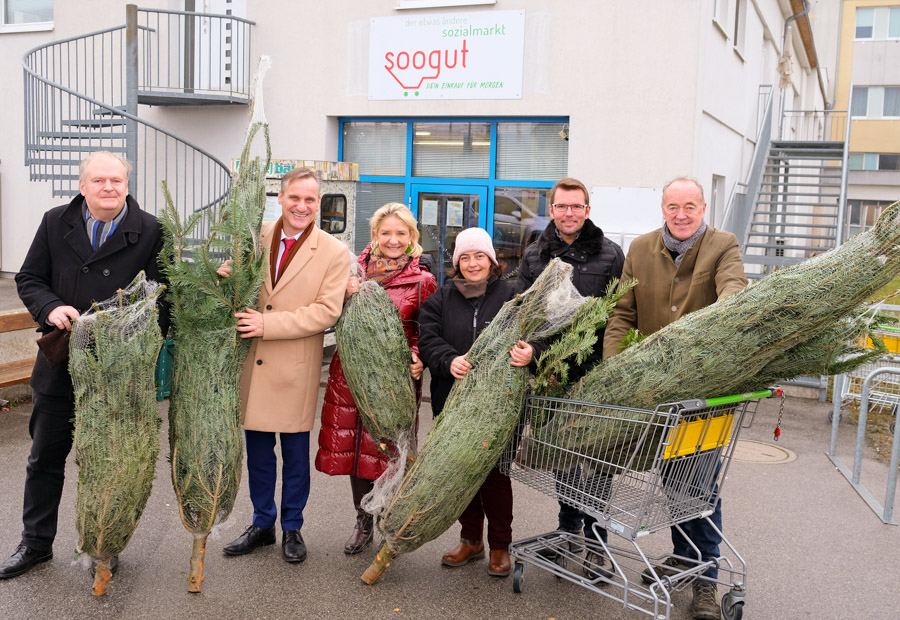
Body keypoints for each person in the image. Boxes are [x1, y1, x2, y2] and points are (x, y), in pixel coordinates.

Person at [3, 151, 168, 579]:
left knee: (112, 461)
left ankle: (104, 543)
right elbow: (29, 278)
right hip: (61, 366)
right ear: (83, 185)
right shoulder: (55, 221)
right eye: (99, 180)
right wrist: (52, 307)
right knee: (45, 458)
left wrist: (127, 334)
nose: (108, 187)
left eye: (116, 180)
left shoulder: (150, 230)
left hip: (117, 372)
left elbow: (162, 296)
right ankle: (35, 543)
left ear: (127, 186)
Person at [602, 177, 747, 620]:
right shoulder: (642, 249)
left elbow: (734, 291)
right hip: (653, 391)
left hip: (703, 393)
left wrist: (708, 331)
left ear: (704, 207)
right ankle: (684, 558)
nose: (681, 214)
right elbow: (623, 312)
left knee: (699, 486)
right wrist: (614, 368)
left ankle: (705, 578)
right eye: (672, 207)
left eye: (690, 206)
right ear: (662, 209)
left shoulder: (723, 245)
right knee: (672, 482)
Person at [218, 166, 351, 564]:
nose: (302, 206)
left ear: (319, 203)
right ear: (280, 197)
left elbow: (327, 311)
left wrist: (267, 323)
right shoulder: (256, 237)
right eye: (295, 197)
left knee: (294, 456)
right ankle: (263, 523)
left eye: (310, 199)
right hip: (252, 366)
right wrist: (225, 277)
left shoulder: (333, 251)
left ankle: (292, 526)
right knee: (258, 454)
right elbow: (238, 288)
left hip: (294, 365)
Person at [315, 202, 437, 555]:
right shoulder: (351, 272)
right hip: (350, 371)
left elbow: (426, 329)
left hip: (391, 377)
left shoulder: (422, 280)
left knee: (387, 448)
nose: (393, 240)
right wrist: (342, 292)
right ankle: (363, 520)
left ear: (412, 237)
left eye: (401, 233)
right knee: (356, 451)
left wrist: (418, 356)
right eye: (386, 233)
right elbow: (325, 311)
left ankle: (387, 515)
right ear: (375, 235)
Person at [516, 177, 624, 575]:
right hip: (551, 373)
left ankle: (597, 542)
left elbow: (618, 314)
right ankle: (567, 530)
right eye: (562, 207)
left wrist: (609, 364)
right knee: (562, 454)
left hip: (594, 373)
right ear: (552, 210)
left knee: (595, 457)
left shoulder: (610, 255)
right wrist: (539, 360)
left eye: (576, 206)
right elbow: (524, 315)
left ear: (587, 210)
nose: (569, 213)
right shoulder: (534, 256)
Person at [418, 227, 534, 578]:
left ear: (492, 260)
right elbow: (428, 338)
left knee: (495, 477)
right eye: (464, 257)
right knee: (461, 473)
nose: (472, 263)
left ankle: (500, 546)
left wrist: (531, 352)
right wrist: (448, 359)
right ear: (456, 263)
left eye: (479, 256)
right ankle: (471, 540)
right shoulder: (442, 298)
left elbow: (537, 335)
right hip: (451, 402)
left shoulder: (513, 296)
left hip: (500, 406)